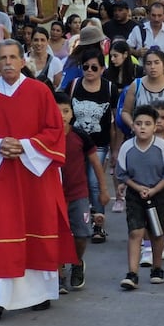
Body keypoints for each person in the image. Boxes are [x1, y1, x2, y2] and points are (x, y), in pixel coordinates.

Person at [0, 40, 77, 325]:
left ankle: (39, 293)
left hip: (35, 175)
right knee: (2, 232)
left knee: (37, 226)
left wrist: (25, 146)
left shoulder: (40, 91)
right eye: (2, 58)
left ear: (22, 60)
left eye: (13, 57)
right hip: (0, 175)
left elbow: (54, 130)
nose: (8, 63)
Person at [116, 104, 164, 289]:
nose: (142, 127)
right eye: (138, 123)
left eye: (147, 123)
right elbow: (122, 174)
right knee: (135, 232)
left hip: (158, 194)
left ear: (155, 126)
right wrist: (137, 187)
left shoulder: (162, 147)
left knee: (156, 232)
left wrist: (153, 190)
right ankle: (132, 273)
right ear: (133, 126)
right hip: (135, 195)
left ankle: (157, 268)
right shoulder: (127, 147)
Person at [55, 92, 105, 292]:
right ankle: (58, 275)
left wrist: (103, 189)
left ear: (72, 113)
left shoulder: (80, 136)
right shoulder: (45, 136)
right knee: (56, 235)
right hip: (54, 195)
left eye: (66, 111)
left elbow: (95, 163)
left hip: (79, 194)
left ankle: (77, 263)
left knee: (81, 235)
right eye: (57, 112)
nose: (62, 116)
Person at [68, 48, 118, 243]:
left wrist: (115, 149)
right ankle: (78, 220)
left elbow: (115, 122)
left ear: (102, 69)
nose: (89, 71)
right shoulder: (73, 85)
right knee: (77, 182)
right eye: (85, 67)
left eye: (94, 67)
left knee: (94, 181)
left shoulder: (109, 88)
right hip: (75, 144)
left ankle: (98, 224)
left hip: (99, 144)